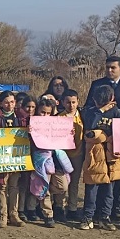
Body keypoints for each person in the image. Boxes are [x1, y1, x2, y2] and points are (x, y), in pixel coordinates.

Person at [79, 85, 120, 231]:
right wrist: (100, 111)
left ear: (112, 99)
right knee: (91, 189)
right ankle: (88, 217)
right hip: (94, 156)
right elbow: (90, 127)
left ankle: (105, 217)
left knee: (109, 191)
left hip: (111, 156)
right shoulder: (89, 112)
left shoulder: (118, 113)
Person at [30, 97, 74, 228]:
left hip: (57, 159)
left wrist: (69, 133)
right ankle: (48, 214)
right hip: (41, 159)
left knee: (62, 186)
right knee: (44, 183)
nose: (45, 115)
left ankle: (42, 196)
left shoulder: (57, 124)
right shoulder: (32, 124)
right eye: (43, 112)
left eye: (48, 113)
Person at [0, 91, 25, 228]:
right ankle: (2, 215)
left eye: (12, 102)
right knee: (2, 186)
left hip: (16, 156)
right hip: (1, 157)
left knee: (14, 186)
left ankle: (14, 214)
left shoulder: (21, 116)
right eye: (6, 102)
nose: (10, 105)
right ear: (1, 103)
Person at [54, 89, 85, 222]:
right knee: (63, 182)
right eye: (68, 102)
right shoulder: (58, 118)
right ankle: (59, 207)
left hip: (78, 153)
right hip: (63, 154)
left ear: (78, 102)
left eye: (73, 102)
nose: (71, 105)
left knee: (75, 182)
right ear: (62, 102)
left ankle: (72, 208)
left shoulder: (83, 117)